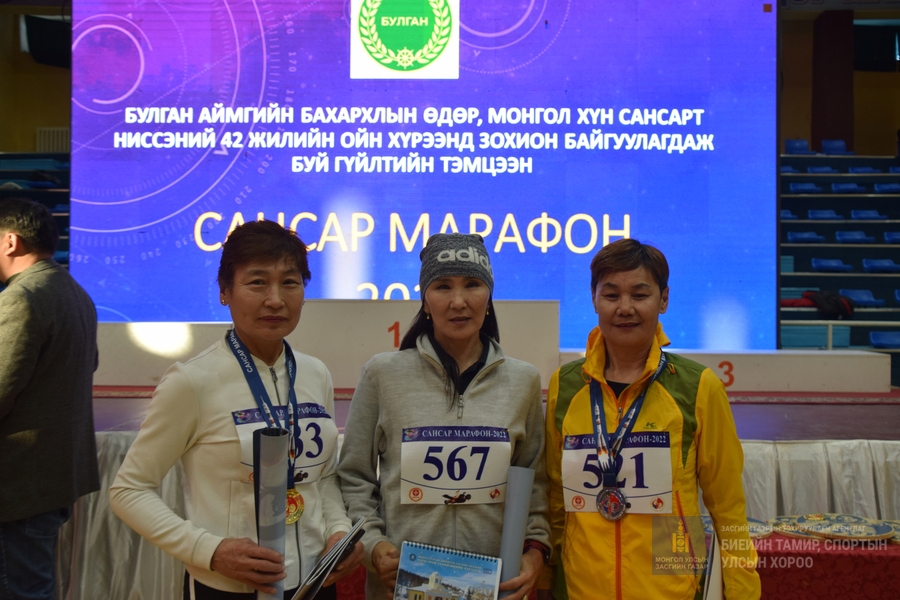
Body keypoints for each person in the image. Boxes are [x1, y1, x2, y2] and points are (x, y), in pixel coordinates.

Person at [110, 220, 363, 599]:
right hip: (229, 587)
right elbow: (129, 490)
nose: (275, 299)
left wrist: (339, 532)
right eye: (257, 282)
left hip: (314, 581)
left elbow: (322, 478)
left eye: (290, 282)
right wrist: (209, 551)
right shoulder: (192, 381)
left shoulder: (315, 374)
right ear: (225, 292)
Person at [540, 238, 761, 599]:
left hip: (670, 588)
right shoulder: (565, 386)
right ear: (594, 299)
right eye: (611, 295)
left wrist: (742, 592)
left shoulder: (698, 387)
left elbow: (729, 509)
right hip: (581, 589)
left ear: (664, 299)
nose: (625, 308)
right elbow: (555, 502)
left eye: (639, 295)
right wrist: (547, 581)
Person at [338, 233, 551, 599]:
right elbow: (353, 477)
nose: (458, 301)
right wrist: (374, 546)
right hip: (402, 585)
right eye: (442, 286)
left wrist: (534, 554)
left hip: (492, 587)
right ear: (425, 300)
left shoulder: (524, 380)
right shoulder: (382, 374)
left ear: (489, 297)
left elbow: (536, 484)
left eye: (472, 285)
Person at [0, 197, 100, 600]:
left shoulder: (21, 297)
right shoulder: (75, 293)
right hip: (52, 477)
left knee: (20, 589)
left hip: (19, 482)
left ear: (10, 241)